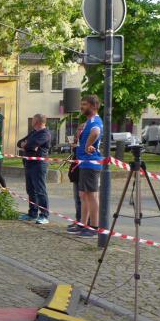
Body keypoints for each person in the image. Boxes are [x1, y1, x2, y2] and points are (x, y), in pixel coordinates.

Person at [71, 95, 103, 237]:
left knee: (91, 195)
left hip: (91, 163)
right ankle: (83, 224)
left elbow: (96, 132)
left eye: (84, 104)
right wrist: (79, 145)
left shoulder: (95, 121)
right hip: (85, 163)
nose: (81, 107)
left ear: (93, 106)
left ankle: (94, 227)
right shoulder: (89, 121)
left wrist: (87, 146)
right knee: (83, 195)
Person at [17, 114, 52, 224]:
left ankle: (44, 215)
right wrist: (26, 144)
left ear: (37, 121)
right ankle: (32, 213)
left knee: (40, 190)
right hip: (29, 163)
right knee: (30, 189)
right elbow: (19, 143)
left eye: (33, 119)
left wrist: (27, 145)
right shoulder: (33, 132)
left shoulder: (45, 133)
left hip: (38, 165)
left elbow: (31, 145)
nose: (32, 121)